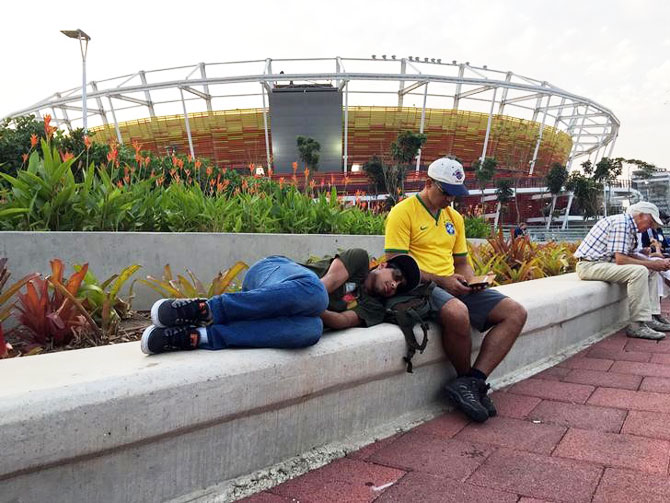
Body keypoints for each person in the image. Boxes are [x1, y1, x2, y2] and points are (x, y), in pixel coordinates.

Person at [384, 157, 528, 423]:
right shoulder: (402, 212)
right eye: (446, 192)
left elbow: (461, 262)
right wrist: (443, 280)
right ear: (428, 183)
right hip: (418, 286)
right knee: (457, 312)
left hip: (449, 283)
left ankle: (473, 382)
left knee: (515, 312)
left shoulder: (454, 218)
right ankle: (465, 380)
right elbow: (396, 265)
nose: (451, 199)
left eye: (455, 194)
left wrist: (472, 282)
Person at [141, 249, 421, 354]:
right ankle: (204, 308)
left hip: (278, 306)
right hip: (271, 273)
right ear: (382, 265)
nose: (393, 284)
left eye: (399, 287)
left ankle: (197, 335)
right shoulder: (359, 259)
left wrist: (301, 312)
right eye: (395, 275)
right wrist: (303, 306)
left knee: (311, 331)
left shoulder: (373, 307)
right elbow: (324, 287)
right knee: (315, 294)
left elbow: (339, 321)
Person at [574, 201, 670, 341]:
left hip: (601, 264)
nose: (651, 227)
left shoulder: (629, 225)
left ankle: (651, 316)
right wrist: (652, 264)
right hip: (589, 266)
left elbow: (629, 255)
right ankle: (637, 325)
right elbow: (621, 260)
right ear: (641, 215)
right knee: (640, 271)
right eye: (650, 222)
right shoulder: (622, 223)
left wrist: (654, 264)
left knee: (651, 269)